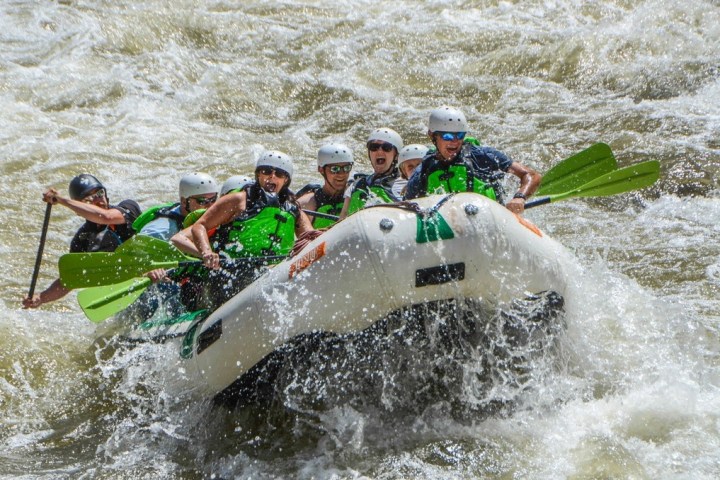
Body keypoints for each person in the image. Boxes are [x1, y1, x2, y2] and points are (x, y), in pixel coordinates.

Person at [171, 151, 315, 309]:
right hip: (231, 274)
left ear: (286, 180)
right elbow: (200, 226)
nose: (272, 177)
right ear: (258, 175)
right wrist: (206, 252)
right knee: (253, 276)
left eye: (279, 174)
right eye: (266, 171)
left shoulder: (293, 209)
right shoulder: (238, 200)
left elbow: (310, 237)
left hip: (275, 272)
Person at [22, 174, 141, 308]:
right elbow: (70, 280)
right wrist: (41, 298)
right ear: (79, 210)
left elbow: (106, 217)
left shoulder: (128, 208)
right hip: (129, 292)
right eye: (89, 198)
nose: (98, 199)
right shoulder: (82, 239)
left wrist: (62, 200)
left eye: (99, 193)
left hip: (157, 273)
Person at [404, 106, 541, 214]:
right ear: (432, 136)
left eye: (460, 135)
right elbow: (409, 208)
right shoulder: (423, 172)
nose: (455, 142)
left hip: (490, 221)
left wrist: (519, 197)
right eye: (447, 136)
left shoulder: (482, 156)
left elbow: (531, 175)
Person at [339, 128, 403, 220]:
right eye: (374, 147)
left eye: (387, 148)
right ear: (369, 154)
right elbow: (342, 219)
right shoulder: (356, 185)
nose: (379, 151)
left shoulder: (406, 184)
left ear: (396, 155)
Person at [133, 172, 219, 241]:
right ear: (184, 202)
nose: (210, 206)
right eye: (202, 201)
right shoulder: (161, 232)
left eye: (213, 199)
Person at [297, 143, 353, 228]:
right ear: (321, 170)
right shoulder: (307, 204)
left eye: (347, 168)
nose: (341, 174)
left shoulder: (355, 195)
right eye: (334, 169)